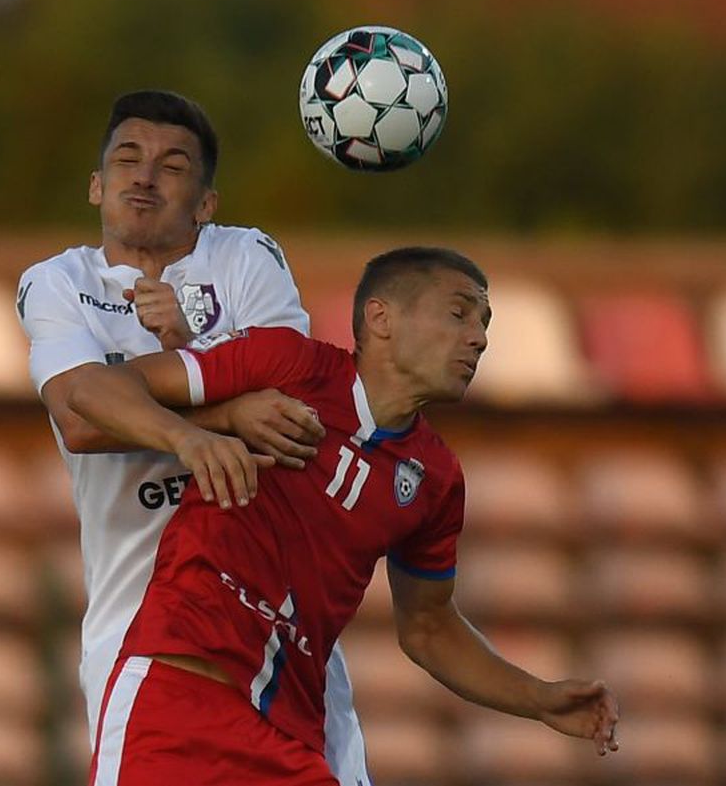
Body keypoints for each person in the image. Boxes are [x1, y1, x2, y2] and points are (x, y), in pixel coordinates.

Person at [61, 247, 622, 784]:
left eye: (485, 323)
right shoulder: (288, 364)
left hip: (286, 738)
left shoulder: (436, 480)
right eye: (459, 314)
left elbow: (428, 626)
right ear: (380, 318)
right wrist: (194, 436)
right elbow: (91, 390)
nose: (478, 338)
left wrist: (537, 697)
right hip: (177, 699)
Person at [17, 90, 371, 784]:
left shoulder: (244, 255)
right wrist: (212, 425)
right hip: (139, 626)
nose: (144, 176)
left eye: (172, 165)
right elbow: (81, 418)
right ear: (96, 185)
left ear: (207, 202)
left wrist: (185, 346)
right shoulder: (57, 282)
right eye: (127, 159)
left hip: (274, 633)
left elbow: (295, 406)